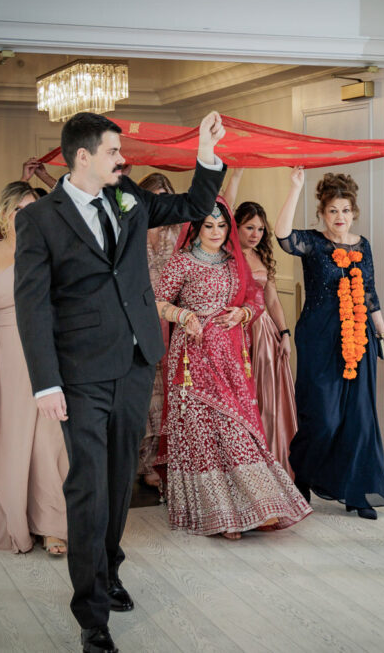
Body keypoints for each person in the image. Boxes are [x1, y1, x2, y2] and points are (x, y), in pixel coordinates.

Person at [14, 111, 226, 653]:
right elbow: (32, 306)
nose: (122, 160)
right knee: (87, 487)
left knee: (117, 480)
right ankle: (91, 615)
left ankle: (109, 568)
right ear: (83, 156)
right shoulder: (39, 220)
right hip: (80, 375)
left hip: (135, 364)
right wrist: (46, 383)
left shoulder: (128, 195)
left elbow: (193, 207)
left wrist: (206, 154)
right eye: (114, 151)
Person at [153, 198, 312, 539]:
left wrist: (243, 314)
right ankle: (221, 515)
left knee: (237, 430)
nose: (215, 232)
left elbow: (254, 301)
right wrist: (183, 316)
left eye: (221, 226)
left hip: (229, 356)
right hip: (191, 360)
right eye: (208, 225)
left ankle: (256, 505)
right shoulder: (181, 262)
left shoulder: (231, 262)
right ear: (195, 227)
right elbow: (156, 301)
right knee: (204, 436)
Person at [275, 168, 384, 520]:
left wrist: (382, 332)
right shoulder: (312, 243)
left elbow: (369, 292)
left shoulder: (363, 245)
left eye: (345, 210)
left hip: (359, 339)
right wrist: (295, 188)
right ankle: (301, 473)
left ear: (353, 211)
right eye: (332, 211)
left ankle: (357, 492)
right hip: (319, 338)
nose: (339, 217)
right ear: (322, 214)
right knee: (323, 418)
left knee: (359, 418)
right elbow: (282, 236)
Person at [0, 181, 68, 556]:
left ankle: (54, 525)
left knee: (50, 441)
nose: (29, 216)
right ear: (4, 215)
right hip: (4, 353)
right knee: (12, 441)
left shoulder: (49, 254)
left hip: (44, 352)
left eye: (35, 209)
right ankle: (17, 522)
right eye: (21, 210)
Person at [231, 186, 298, 477]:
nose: (256, 233)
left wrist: (284, 334)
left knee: (269, 401)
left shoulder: (262, 256)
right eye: (249, 227)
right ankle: (246, 467)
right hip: (236, 333)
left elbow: (272, 299)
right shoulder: (226, 256)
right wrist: (237, 177)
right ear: (236, 226)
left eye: (260, 228)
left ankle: (274, 463)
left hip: (265, 337)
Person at [136, 172, 181, 489]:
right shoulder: (132, 227)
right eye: (154, 195)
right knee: (144, 394)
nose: (159, 202)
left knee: (167, 393)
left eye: (165, 195)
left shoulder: (178, 230)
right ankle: (139, 458)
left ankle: (157, 460)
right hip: (139, 318)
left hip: (172, 320)